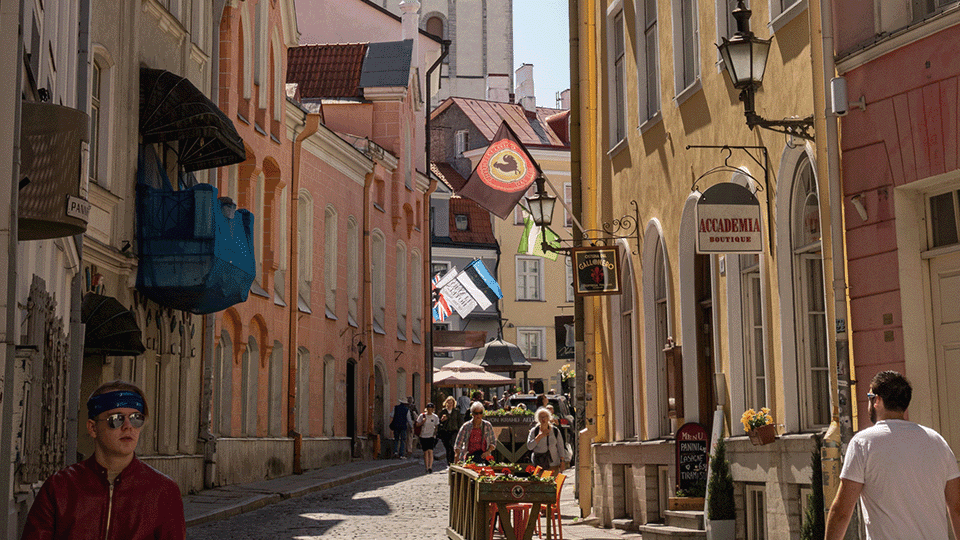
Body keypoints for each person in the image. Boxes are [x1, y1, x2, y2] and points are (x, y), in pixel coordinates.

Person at [21, 380, 185, 540]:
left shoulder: (162, 490)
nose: (128, 426)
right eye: (116, 419)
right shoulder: (60, 487)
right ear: (93, 428)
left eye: (136, 418)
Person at [825, 370, 960, 540]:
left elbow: (841, 513)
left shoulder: (863, 443)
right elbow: (957, 508)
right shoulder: (937, 442)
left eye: (869, 396)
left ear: (878, 400)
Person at [526, 407, 569, 474]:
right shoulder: (534, 431)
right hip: (539, 465)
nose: (543, 419)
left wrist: (562, 461)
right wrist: (540, 436)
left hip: (554, 464)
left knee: (553, 483)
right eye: (541, 417)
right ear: (538, 419)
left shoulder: (555, 431)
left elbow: (560, 446)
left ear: (549, 418)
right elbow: (529, 446)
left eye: (545, 417)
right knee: (541, 484)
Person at [416, 403, 441, 473]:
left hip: (431, 436)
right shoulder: (422, 416)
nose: (430, 410)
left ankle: (430, 467)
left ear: (433, 409)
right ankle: (426, 467)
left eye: (431, 409)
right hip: (423, 435)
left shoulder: (435, 417)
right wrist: (422, 422)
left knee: (431, 451)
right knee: (425, 452)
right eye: (428, 409)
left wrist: (435, 434)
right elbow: (417, 424)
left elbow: (436, 426)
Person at [437, 396, 463, 465]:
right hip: (445, 431)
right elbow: (439, 422)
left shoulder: (456, 411)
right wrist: (442, 420)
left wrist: (460, 430)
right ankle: (449, 462)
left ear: (453, 403)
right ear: (446, 403)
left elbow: (459, 421)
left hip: (454, 431)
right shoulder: (443, 411)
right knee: (447, 447)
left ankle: (453, 461)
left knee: (452, 447)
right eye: (448, 403)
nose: (450, 404)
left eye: (451, 403)